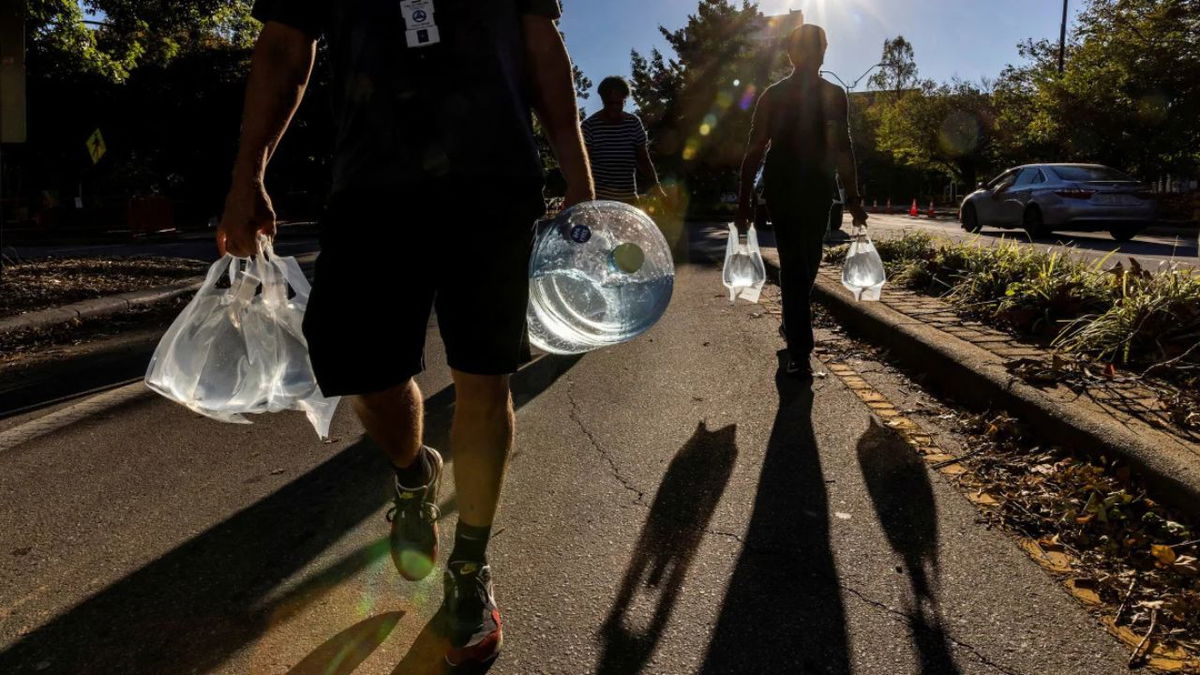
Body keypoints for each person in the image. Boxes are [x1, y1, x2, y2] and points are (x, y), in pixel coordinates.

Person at [217, 0, 593, 666]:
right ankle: (414, 474)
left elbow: (540, 38)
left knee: (485, 372)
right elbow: (283, 46)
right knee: (363, 371)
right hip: (372, 183)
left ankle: (470, 570)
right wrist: (249, 170)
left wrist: (577, 171)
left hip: (492, 178)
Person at [735, 23, 868, 377]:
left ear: (825, 52)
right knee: (795, 267)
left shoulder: (833, 95)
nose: (815, 55)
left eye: (820, 48)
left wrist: (853, 197)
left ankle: (793, 324)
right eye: (808, 49)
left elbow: (842, 147)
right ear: (792, 54)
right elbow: (755, 147)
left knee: (808, 264)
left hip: (818, 191)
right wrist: (744, 201)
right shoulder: (773, 95)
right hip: (782, 189)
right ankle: (800, 350)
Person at [582, 76, 666, 204]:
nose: (615, 107)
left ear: (625, 100)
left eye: (619, 103)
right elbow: (582, 165)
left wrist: (656, 188)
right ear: (603, 100)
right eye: (610, 103)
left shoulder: (633, 123)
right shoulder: (590, 126)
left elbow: (643, 159)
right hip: (599, 201)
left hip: (628, 200)